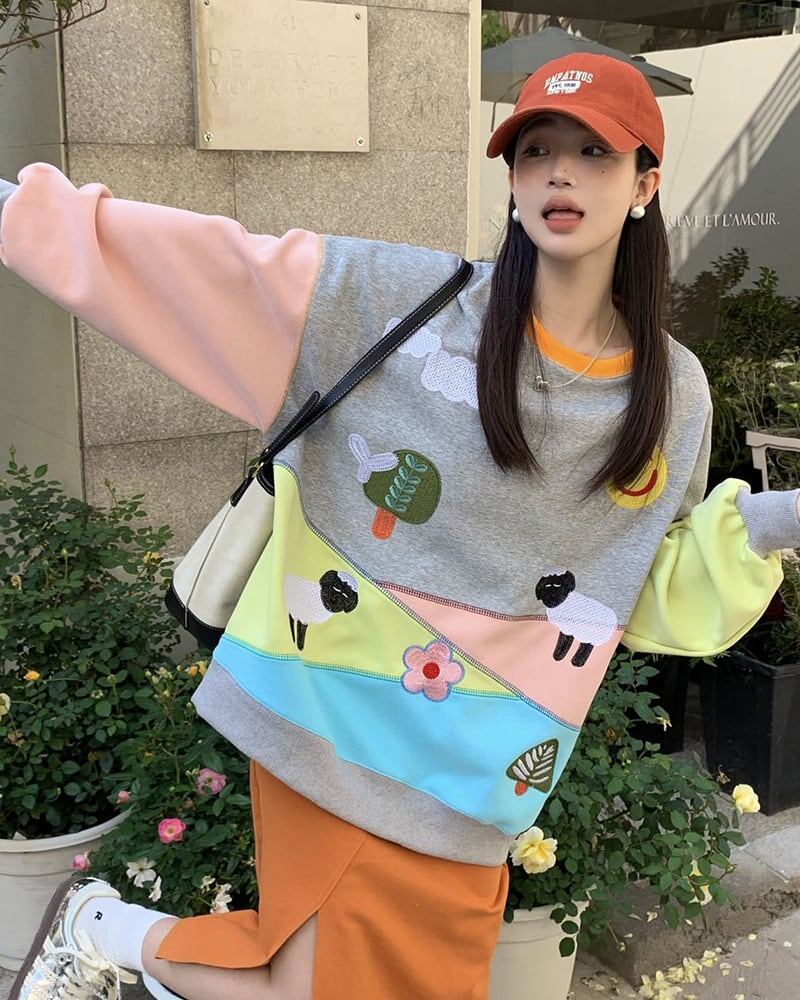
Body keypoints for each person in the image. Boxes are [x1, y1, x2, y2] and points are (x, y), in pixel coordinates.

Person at [2, 51, 798, 1000]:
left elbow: (639, 589)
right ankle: (108, 931)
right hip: (331, 722)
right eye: (535, 149)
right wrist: (23, 212)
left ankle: (107, 930)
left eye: (595, 152)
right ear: (511, 180)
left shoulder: (672, 393)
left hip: (479, 774)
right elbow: (205, 266)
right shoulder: (398, 302)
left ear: (644, 187)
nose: (560, 172)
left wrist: (775, 520)